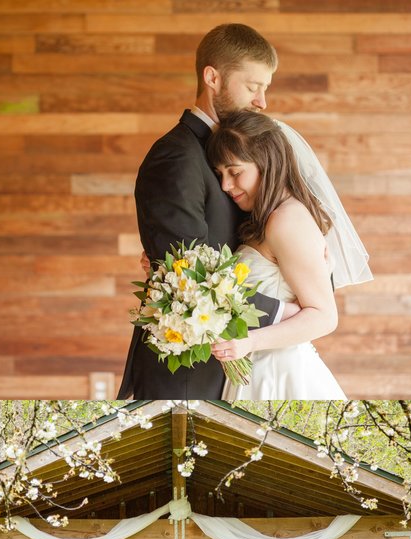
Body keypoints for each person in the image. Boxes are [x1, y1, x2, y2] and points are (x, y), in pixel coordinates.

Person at [117, 24, 289, 400]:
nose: (262, 102)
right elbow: (189, 276)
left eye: (265, 89)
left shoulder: (224, 153)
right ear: (213, 77)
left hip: (230, 357)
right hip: (187, 368)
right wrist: (287, 313)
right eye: (253, 86)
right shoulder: (176, 155)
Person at [206, 110, 351, 400]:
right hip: (255, 367)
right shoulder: (267, 218)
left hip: (277, 370)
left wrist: (249, 342)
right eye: (220, 174)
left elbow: (324, 317)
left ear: (267, 163)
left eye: (234, 172)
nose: (225, 185)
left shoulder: (286, 220)